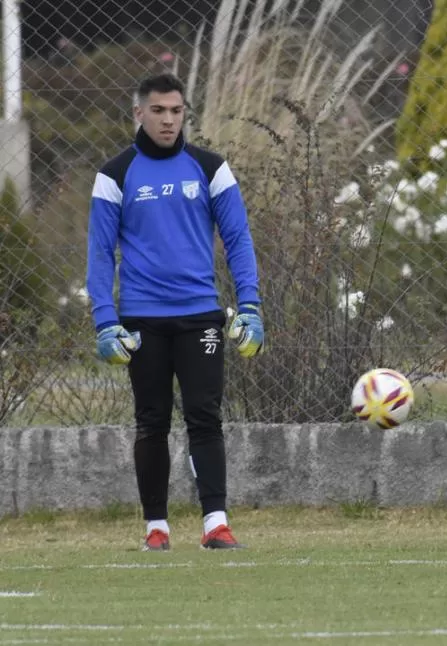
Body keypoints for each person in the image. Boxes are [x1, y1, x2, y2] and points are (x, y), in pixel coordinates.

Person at [86, 73, 264, 551]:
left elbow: (239, 241)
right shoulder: (114, 175)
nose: (168, 120)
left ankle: (216, 525)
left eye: (177, 111)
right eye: (159, 111)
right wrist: (106, 320)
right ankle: (156, 530)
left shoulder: (211, 168)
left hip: (200, 316)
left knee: (205, 417)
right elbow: (100, 255)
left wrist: (250, 306)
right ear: (138, 113)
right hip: (141, 320)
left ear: (185, 113)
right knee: (152, 421)